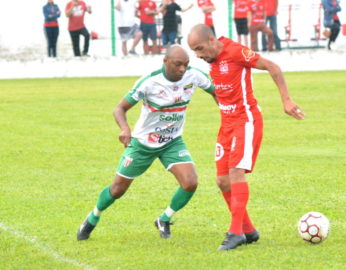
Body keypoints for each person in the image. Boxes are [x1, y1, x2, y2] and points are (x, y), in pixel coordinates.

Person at [76, 45, 216, 241]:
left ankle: (164, 219)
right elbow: (119, 109)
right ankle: (92, 218)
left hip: (172, 141)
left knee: (190, 183)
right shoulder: (149, 82)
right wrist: (125, 129)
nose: (182, 69)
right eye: (178, 65)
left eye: (185, 65)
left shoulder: (194, 76)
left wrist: (229, 113)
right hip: (143, 144)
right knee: (117, 189)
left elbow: (217, 92)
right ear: (165, 62)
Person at [188, 24, 305, 250]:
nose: (198, 55)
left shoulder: (235, 51)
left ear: (212, 40)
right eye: (194, 51)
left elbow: (273, 67)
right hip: (227, 124)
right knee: (222, 181)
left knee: (235, 172)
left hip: (246, 120)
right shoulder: (213, 59)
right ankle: (249, 230)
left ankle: (235, 232)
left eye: (200, 49)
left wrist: (287, 100)